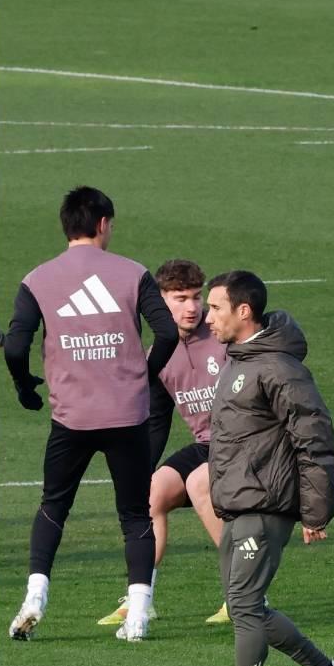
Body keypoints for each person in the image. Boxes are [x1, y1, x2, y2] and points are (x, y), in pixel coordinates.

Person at [3, 186, 178, 643]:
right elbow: (167, 332)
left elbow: (17, 344)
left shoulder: (37, 279)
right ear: (102, 224)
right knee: (135, 515)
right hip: (127, 415)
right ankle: (138, 612)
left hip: (71, 418)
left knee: (53, 506)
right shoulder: (133, 273)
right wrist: (142, 374)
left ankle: (34, 597)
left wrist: (25, 387)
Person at [188, 271, 334, 666]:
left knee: (243, 604)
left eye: (215, 307)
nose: (207, 315)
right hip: (238, 504)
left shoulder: (279, 368)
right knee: (249, 606)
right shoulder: (239, 361)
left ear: (244, 312)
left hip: (264, 507)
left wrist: (315, 510)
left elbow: (314, 436)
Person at [96, 261, 229, 628]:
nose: (192, 307)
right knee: (150, 493)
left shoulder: (221, 335)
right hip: (207, 446)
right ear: (160, 302)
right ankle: (141, 597)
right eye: (180, 298)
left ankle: (244, 593)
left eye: (196, 297)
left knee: (199, 482)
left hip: (242, 445)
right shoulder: (159, 355)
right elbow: (155, 421)